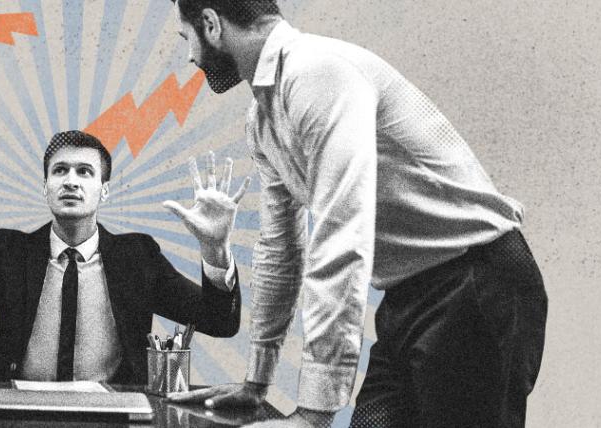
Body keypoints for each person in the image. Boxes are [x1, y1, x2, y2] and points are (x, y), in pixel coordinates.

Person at [163, 1, 547, 427]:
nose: (191, 57)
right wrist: (256, 383)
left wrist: (312, 416)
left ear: (211, 24)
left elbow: (342, 237)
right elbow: (280, 251)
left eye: (187, 38)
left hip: (476, 282)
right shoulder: (262, 120)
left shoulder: (318, 72)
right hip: (407, 296)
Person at [0, 131, 250, 384]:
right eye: (60, 171)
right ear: (45, 187)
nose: (71, 181)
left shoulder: (137, 258)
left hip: (112, 414)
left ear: (104, 191)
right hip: (22, 412)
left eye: (84, 171)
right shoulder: (12, 253)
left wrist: (215, 250)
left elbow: (219, 322)